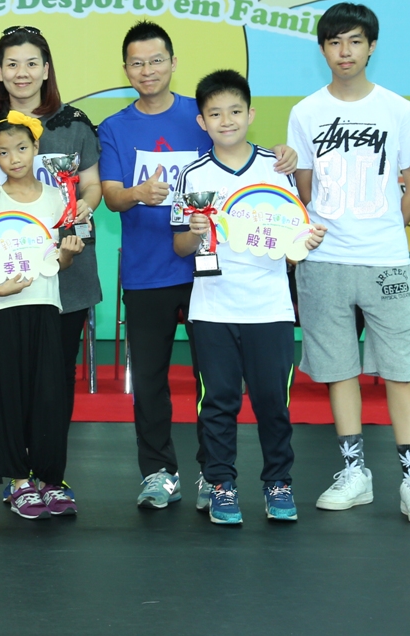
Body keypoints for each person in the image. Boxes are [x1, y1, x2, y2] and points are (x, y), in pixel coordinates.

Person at [98, 21, 297, 510]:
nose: (147, 70)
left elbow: (243, 161)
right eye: (137, 63)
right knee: (150, 379)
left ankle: (214, 475)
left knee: (215, 385)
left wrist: (286, 155)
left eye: (156, 60)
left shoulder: (203, 113)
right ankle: (159, 473)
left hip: (211, 276)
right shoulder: (115, 127)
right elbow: (111, 197)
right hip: (148, 271)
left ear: (173, 62)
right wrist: (138, 193)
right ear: (125, 69)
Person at [287, 2, 410, 525]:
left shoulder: (396, 109)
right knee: (339, 370)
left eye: (354, 41)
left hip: (386, 261)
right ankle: (355, 472)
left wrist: (386, 226)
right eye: (334, 42)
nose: (344, 51)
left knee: (398, 370)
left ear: (371, 46)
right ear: (322, 49)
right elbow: (304, 189)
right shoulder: (305, 112)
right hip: (324, 260)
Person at [172, 70, 327, 525]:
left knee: (272, 402)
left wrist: (305, 244)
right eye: (215, 114)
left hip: (270, 307)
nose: (227, 121)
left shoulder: (276, 167)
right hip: (212, 307)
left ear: (250, 114)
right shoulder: (193, 175)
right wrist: (194, 231)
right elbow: (180, 246)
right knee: (218, 401)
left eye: (235, 111)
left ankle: (278, 483)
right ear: (202, 122)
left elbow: (294, 241)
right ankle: (221, 484)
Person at [0, 26, 102, 508]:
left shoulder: (75, 124)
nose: (21, 73)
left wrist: (85, 205)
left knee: (55, 382)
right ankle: (15, 477)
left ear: (46, 70)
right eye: (12, 64)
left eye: (31, 63)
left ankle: (49, 475)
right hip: (10, 279)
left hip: (68, 272)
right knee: (12, 380)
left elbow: (93, 184)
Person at [0, 113, 84, 519]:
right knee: (8, 395)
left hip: (46, 308)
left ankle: (50, 478)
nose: (15, 158)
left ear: (36, 149)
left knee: (49, 396)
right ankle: (18, 481)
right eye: (4, 153)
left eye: (22, 149)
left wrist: (68, 254)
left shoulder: (57, 198)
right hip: (3, 309)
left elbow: (55, 262)